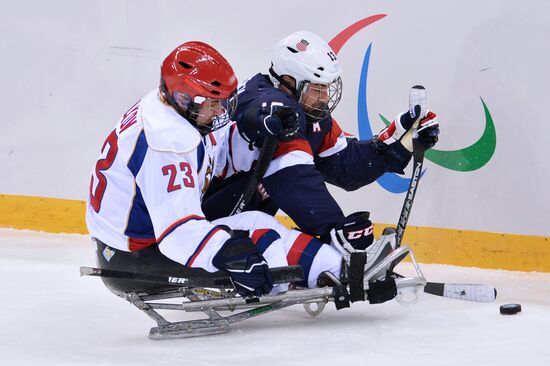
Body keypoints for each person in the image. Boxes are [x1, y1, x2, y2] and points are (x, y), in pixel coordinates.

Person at [85, 41, 373, 300]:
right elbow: (178, 233)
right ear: (185, 99)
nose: (221, 111)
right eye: (213, 103)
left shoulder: (169, 106)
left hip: (130, 242)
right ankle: (339, 271)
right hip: (136, 258)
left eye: (224, 102)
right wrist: (228, 253)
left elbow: (214, 157)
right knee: (260, 235)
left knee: (257, 223)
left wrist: (254, 127)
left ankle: (339, 269)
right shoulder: (168, 142)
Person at [202, 31, 440, 251]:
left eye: (326, 88)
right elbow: (292, 178)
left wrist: (397, 144)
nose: (324, 97)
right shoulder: (270, 106)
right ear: (289, 81)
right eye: (316, 88)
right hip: (201, 217)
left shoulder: (305, 112)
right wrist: (335, 230)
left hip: (239, 217)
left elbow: (344, 167)